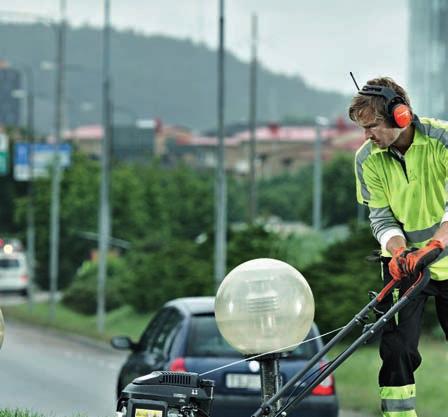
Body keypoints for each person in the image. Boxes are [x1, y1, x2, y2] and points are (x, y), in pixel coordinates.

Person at [349, 76, 448, 417]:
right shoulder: (368, 159)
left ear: (400, 116)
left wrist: (435, 245)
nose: (367, 136)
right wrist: (398, 251)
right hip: (409, 266)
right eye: (363, 128)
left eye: (372, 126)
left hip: (444, 254)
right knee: (397, 351)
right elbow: (381, 218)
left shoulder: (443, 141)